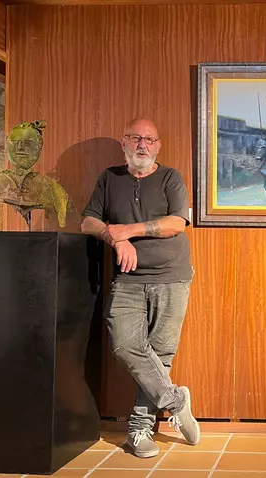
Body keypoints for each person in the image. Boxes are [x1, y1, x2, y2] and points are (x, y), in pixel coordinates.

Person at [81, 118, 199, 458]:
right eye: (135, 138)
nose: (142, 144)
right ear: (124, 143)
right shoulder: (109, 178)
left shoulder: (170, 177)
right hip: (128, 279)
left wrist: (127, 231)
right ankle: (176, 401)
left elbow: (177, 223)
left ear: (158, 145)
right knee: (124, 344)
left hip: (171, 277)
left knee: (160, 355)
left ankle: (139, 429)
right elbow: (88, 221)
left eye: (149, 139)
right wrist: (114, 238)